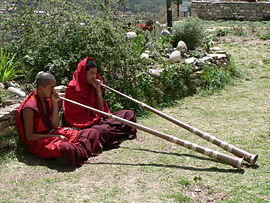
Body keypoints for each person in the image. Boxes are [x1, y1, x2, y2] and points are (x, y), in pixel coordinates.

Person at [16, 72, 106, 167]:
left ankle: (75, 150)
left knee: (92, 132)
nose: (53, 90)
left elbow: (54, 126)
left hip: (53, 133)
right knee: (68, 149)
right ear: (41, 88)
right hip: (40, 142)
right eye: (51, 88)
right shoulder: (29, 107)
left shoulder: (48, 100)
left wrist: (55, 104)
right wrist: (55, 137)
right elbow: (29, 136)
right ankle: (75, 150)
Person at [63, 57, 137, 147]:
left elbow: (101, 109)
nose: (94, 76)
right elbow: (76, 118)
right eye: (91, 73)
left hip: (100, 120)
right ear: (83, 73)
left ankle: (112, 134)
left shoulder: (94, 85)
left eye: (95, 73)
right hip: (88, 125)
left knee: (129, 114)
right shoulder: (73, 88)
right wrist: (97, 121)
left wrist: (98, 91)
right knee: (101, 131)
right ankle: (117, 133)